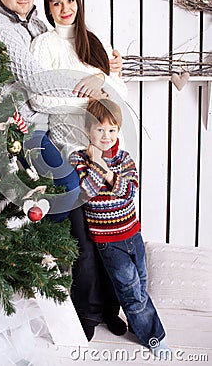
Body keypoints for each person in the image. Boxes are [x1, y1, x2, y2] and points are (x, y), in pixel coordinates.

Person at [0, 0, 125, 341]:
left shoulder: (57, 29)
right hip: (43, 134)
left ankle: (104, 308)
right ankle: (79, 311)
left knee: (104, 231)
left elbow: (116, 92)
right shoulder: (19, 33)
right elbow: (38, 89)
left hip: (97, 142)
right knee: (78, 227)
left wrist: (103, 76)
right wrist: (89, 89)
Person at [69, 98, 171, 356]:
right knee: (131, 291)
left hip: (133, 234)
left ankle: (139, 326)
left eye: (112, 130)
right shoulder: (79, 159)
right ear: (88, 130)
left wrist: (106, 169)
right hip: (109, 242)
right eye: (99, 130)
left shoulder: (125, 159)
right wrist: (98, 165)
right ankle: (155, 338)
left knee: (140, 284)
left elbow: (129, 192)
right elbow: (85, 193)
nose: (106, 136)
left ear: (119, 131)